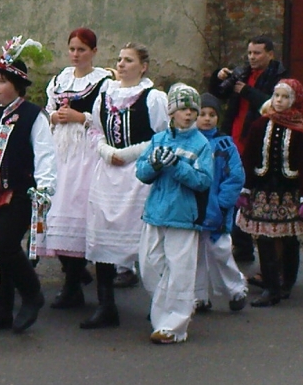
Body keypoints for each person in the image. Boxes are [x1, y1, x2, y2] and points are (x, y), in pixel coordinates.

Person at [0, 40, 56, 334]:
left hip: (19, 192)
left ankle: (32, 293)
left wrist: (45, 188)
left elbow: (44, 153)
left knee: (6, 244)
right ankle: (0, 309)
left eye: (2, 81)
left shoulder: (32, 115)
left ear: (18, 85)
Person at [82, 43, 168, 329]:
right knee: (102, 234)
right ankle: (106, 306)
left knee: (146, 242)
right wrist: (106, 151)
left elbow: (164, 136)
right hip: (108, 173)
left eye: (128, 60)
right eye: (119, 59)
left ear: (143, 66)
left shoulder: (153, 98)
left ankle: (160, 304)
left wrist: (130, 153)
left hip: (140, 175)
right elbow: (94, 129)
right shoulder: (105, 95)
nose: (120, 64)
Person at [135, 84, 214, 344]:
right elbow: (142, 173)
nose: (189, 115)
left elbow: (203, 181)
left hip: (184, 215)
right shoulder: (158, 139)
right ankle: (164, 310)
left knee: (180, 269)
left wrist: (176, 165)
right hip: (155, 212)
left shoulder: (201, 144)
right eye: (183, 109)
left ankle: (175, 325)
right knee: (149, 266)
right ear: (172, 111)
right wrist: (155, 164)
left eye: (193, 109)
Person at [237, 79, 303, 307]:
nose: (279, 101)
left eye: (285, 97)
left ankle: (287, 282)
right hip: (263, 192)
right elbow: (249, 158)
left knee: (287, 238)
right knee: (264, 239)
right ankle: (271, 287)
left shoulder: (301, 131)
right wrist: (245, 188)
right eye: (276, 96)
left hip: (289, 193)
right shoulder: (260, 125)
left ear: (294, 101)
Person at [43, 28, 111, 309]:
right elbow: (48, 108)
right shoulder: (60, 78)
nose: (75, 54)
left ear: (93, 52)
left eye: (82, 49)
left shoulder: (103, 82)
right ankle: (73, 276)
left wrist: (79, 116)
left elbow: (107, 117)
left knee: (77, 209)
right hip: (61, 148)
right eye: (72, 49)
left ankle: (73, 282)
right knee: (57, 210)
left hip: (85, 150)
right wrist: (55, 116)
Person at [209, 36, 288, 263]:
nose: (252, 57)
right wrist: (219, 77)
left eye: (258, 53)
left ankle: (265, 252)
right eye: (250, 53)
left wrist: (246, 91)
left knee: (251, 196)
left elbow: (272, 105)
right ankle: (241, 247)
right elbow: (219, 95)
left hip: (258, 144)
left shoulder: (280, 77)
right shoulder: (243, 72)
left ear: (270, 54)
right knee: (234, 194)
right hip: (232, 141)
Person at [193, 93, 248, 313]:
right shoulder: (190, 142)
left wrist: (223, 203)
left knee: (221, 250)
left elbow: (235, 176)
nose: (207, 119)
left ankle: (236, 289)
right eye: (202, 114)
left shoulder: (225, 145)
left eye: (212, 114)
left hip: (216, 210)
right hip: (194, 210)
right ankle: (199, 296)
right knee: (195, 255)